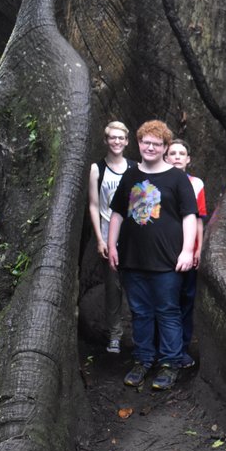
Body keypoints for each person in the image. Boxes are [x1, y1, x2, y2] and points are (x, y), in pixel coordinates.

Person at [108, 121, 198, 390]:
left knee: (168, 311)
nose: (150, 147)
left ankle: (169, 363)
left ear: (165, 147)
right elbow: (117, 213)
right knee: (139, 312)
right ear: (138, 143)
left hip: (168, 261)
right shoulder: (131, 176)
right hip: (133, 259)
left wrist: (187, 251)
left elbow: (189, 217)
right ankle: (143, 359)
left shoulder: (177, 179)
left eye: (156, 144)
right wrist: (112, 246)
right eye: (146, 142)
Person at [87, 121, 136, 354]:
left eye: (121, 138)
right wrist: (99, 239)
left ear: (127, 141)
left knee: (137, 287)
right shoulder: (98, 169)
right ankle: (115, 335)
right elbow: (94, 205)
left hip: (134, 241)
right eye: (112, 138)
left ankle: (141, 336)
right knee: (113, 289)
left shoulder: (135, 168)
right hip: (108, 238)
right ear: (106, 141)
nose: (116, 142)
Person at [165, 139, 206, 368]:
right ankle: (163, 348)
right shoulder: (156, 180)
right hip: (164, 252)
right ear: (166, 156)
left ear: (188, 159)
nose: (178, 157)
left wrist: (198, 249)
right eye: (173, 153)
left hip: (188, 252)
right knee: (164, 301)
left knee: (186, 300)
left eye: (182, 153)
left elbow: (199, 218)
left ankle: (181, 348)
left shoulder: (196, 183)